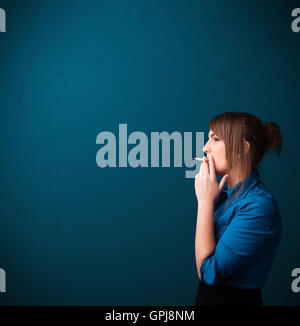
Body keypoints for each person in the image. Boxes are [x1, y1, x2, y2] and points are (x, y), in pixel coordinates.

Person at [194, 112, 283, 306]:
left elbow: (207, 272)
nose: (205, 148)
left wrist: (204, 203)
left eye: (215, 139)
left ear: (243, 148)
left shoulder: (258, 208)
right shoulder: (225, 194)